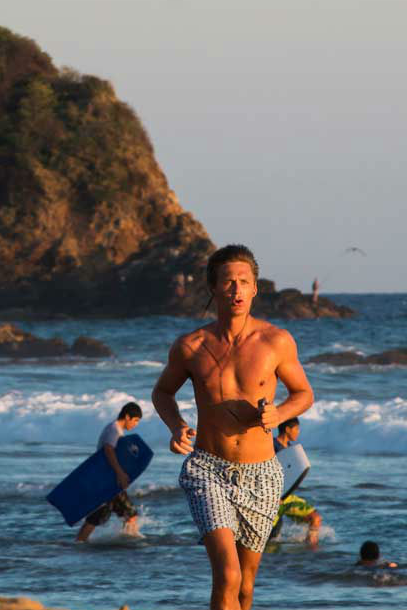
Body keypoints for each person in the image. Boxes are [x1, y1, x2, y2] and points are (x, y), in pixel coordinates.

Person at [152, 244, 314, 610]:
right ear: (213, 287)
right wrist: (176, 426)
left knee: (245, 585)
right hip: (208, 469)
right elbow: (163, 392)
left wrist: (280, 414)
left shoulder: (276, 341)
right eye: (228, 282)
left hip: (263, 474)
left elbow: (304, 393)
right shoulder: (191, 346)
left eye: (244, 282)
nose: (237, 290)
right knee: (228, 575)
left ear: (256, 288)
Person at [75, 402, 143, 542]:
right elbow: (108, 450)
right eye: (135, 420)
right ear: (127, 416)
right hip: (108, 481)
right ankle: (128, 543)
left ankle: (79, 543)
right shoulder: (114, 429)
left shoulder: (115, 429)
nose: (136, 424)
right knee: (130, 514)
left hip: (105, 480)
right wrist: (120, 473)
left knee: (97, 516)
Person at [271, 418, 322, 546]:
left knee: (315, 518)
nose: (298, 432)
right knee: (270, 539)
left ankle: (310, 553)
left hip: (286, 497)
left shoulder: (291, 450)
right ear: (287, 429)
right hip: (270, 500)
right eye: (297, 429)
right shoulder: (270, 446)